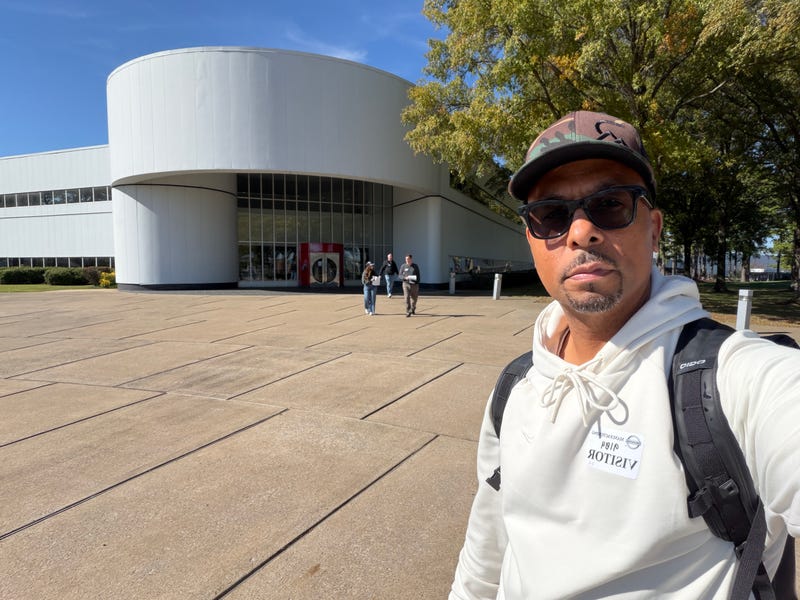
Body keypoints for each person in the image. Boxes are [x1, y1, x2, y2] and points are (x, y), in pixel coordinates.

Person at [449, 110, 800, 599]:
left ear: (653, 230)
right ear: (531, 239)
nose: (580, 232)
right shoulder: (515, 387)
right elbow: (487, 548)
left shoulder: (733, 379)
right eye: (550, 215)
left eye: (610, 205)